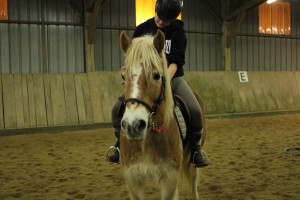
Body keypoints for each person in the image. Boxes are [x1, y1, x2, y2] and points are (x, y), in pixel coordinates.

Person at [106, 0, 209, 168]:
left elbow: (176, 62)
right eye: (160, 17)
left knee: (195, 109)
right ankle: (118, 146)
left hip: (172, 79)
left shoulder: (178, 34)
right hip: (145, 81)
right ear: (155, 10)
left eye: (166, 21)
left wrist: (164, 80)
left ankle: (196, 150)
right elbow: (134, 58)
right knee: (116, 108)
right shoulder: (142, 30)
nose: (161, 22)